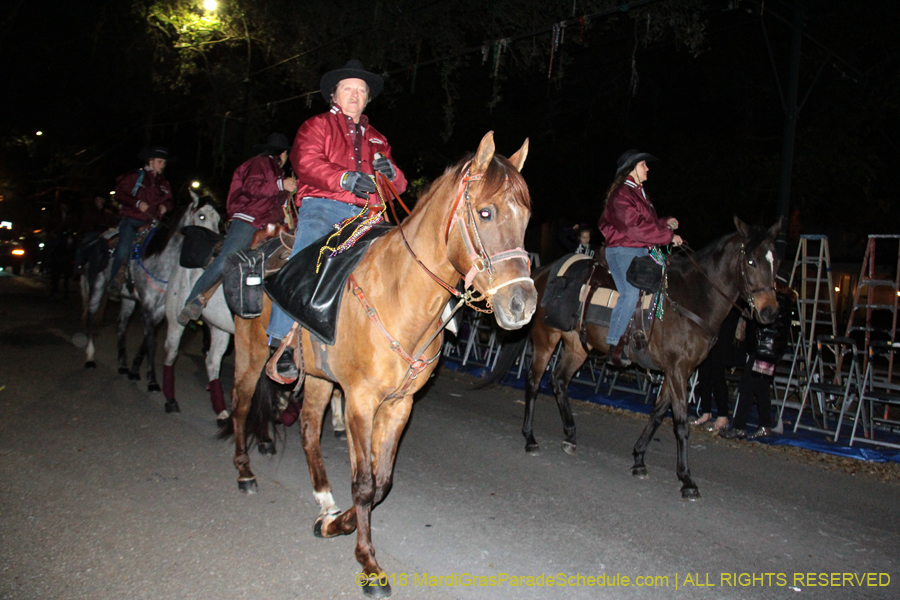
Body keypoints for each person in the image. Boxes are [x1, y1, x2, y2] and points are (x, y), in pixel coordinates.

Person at [266, 59, 407, 382]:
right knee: (304, 257)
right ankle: (283, 340)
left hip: (369, 215)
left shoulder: (378, 139)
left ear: (367, 98)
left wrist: (392, 175)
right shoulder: (315, 126)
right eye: (348, 89)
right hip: (324, 208)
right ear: (334, 95)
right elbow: (306, 162)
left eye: (361, 90)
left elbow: (398, 185)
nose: (355, 95)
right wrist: (344, 179)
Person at [178, 133, 296, 325]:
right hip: (248, 219)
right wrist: (281, 185)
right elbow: (252, 188)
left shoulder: (279, 173)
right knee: (227, 257)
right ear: (282, 154)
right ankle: (194, 299)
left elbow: (275, 204)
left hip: (267, 225)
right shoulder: (260, 163)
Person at [598, 149, 683, 366]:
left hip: (640, 249)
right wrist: (668, 236)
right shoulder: (621, 194)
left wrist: (665, 223)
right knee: (631, 292)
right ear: (633, 168)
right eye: (644, 164)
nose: (647, 168)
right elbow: (634, 229)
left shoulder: (639, 193)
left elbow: (647, 225)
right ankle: (614, 344)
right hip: (621, 249)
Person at [721, 278, 795, 440]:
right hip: (767, 351)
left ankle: (740, 426)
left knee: (747, 386)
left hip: (764, 351)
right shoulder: (783, 301)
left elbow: (767, 324)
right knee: (761, 388)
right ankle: (764, 425)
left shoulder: (776, 301)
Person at [108, 146, 174, 296]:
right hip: (132, 219)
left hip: (153, 224)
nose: (162, 165)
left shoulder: (164, 182)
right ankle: (115, 281)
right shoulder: (135, 175)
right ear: (150, 161)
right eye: (159, 162)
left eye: (164, 162)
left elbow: (170, 201)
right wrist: (137, 203)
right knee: (124, 248)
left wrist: (166, 206)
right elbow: (120, 194)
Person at [692, 307, 747, 433]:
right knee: (704, 369)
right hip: (711, 323)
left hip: (725, 327)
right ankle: (706, 412)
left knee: (717, 372)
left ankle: (723, 416)